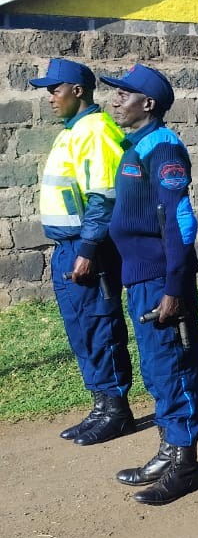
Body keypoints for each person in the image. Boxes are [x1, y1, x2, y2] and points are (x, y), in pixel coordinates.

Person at [102, 64, 198, 505]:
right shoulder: (137, 145)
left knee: (174, 368)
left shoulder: (162, 148)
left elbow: (180, 222)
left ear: (148, 103)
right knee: (156, 370)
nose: (114, 100)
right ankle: (168, 449)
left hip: (162, 280)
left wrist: (174, 289)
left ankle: (184, 465)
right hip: (140, 277)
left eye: (123, 94)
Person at [29, 58, 134, 445]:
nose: (49, 98)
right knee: (83, 329)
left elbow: (103, 197)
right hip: (69, 246)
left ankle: (117, 410)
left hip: (87, 249)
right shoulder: (73, 130)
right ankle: (101, 406)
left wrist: (88, 249)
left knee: (99, 326)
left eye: (54, 90)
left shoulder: (96, 130)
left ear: (77, 91)